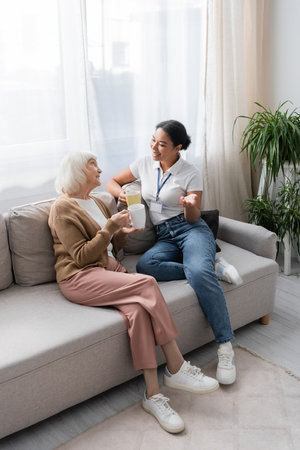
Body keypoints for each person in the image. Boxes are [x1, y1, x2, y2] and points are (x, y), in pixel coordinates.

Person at [48, 151, 219, 435]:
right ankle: (176, 367)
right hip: (79, 277)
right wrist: (109, 227)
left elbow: (113, 245)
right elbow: (80, 257)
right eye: (93, 165)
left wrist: (122, 229)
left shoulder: (97, 202)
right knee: (147, 283)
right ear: (77, 171)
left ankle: (153, 396)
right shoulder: (62, 208)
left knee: (139, 312)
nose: (101, 170)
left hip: (109, 270)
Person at [107, 120, 240, 385]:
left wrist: (191, 205)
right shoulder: (145, 163)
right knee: (146, 266)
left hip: (190, 230)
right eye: (153, 140)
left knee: (198, 274)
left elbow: (192, 218)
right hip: (164, 235)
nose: (154, 147)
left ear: (177, 147)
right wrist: (119, 193)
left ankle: (226, 347)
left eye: (162, 144)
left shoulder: (190, 172)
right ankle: (212, 266)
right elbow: (112, 181)